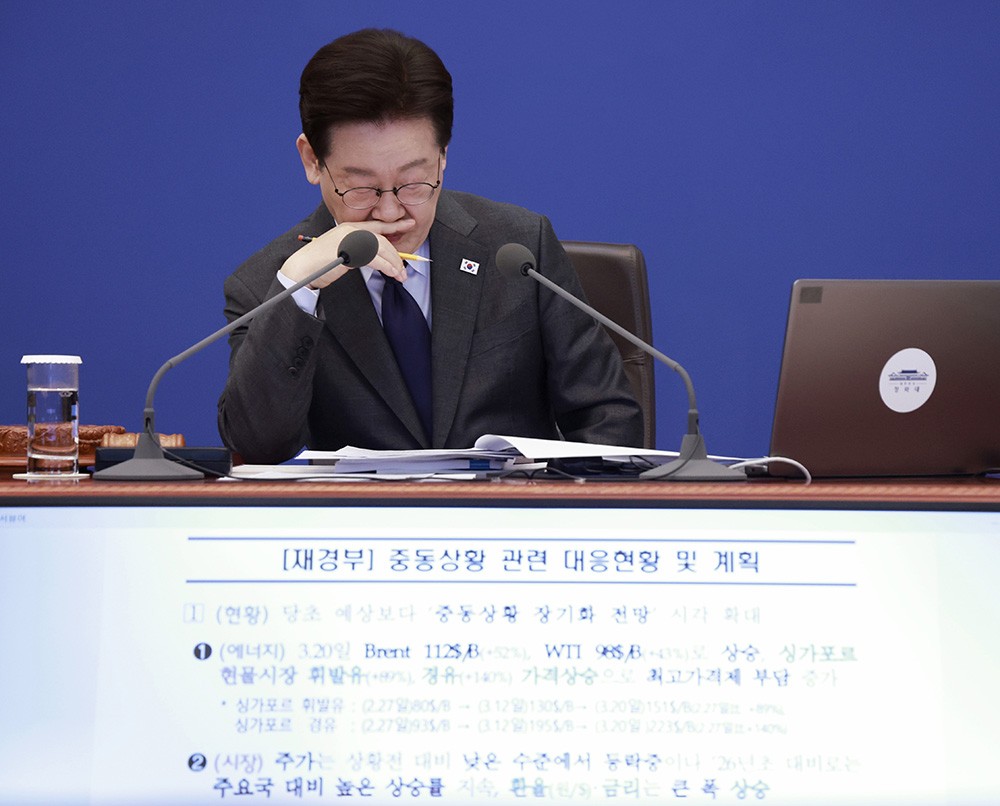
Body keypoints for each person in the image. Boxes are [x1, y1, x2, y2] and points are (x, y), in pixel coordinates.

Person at [218, 28, 642, 464]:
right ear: (312, 160)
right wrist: (300, 291)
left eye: (413, 182)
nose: (390, 211)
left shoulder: (518, 248)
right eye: (360, 187)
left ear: (442, 156)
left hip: (512, 505)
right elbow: (258, 447)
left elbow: (607, 416)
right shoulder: (267, 286)